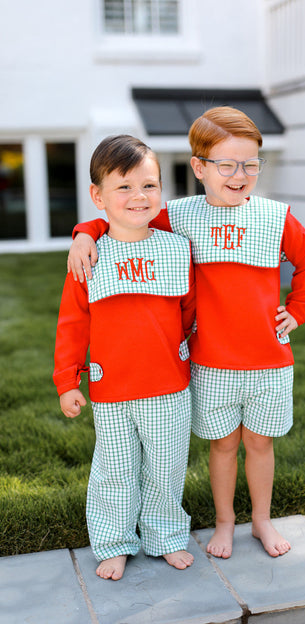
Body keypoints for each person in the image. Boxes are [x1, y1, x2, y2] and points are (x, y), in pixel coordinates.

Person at [67, 107, 305, 561]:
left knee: (260, 443)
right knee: (223, 445)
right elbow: (125, 217)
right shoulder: (179, 216)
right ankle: (225, 522)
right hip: (209, 360)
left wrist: (297, 311)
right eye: (227, 164)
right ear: (200, 168)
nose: (239, 174)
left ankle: (261, 519)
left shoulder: (275, 217)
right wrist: (83, 233)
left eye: (250, 164)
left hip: (269, 360)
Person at [53, 135, 196, 580]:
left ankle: (166, 535)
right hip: (112, 387)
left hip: (169, 386)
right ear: (98, 196)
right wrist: (66, 381)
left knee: (166, 469)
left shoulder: (176, 248)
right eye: (124, 187)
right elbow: (72, 323)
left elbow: (189, 312)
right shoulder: (89, 256)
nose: (139, 197)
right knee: (113, 470)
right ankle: (114, 541)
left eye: (149, 186)